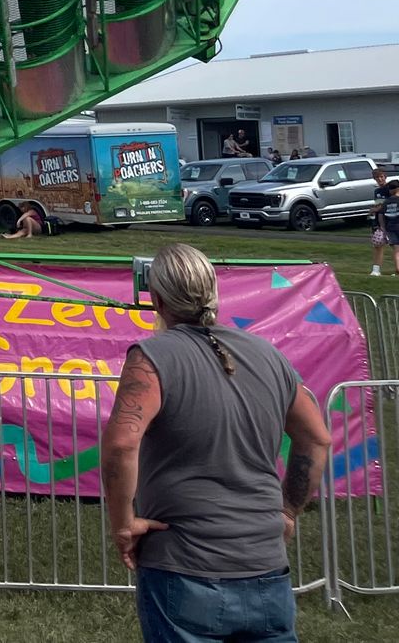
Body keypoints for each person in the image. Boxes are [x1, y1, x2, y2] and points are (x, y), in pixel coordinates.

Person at [99, 243, 331, 643]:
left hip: (185, 571)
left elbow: (121, 444)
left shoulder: (152, 356)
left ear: (155, 298)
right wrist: (288, 510)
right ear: (214, 292)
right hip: (267, 570)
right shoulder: (267, 354)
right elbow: (317, 439)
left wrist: (124, 524)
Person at [372, 177, 399, 276]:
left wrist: (383, 227)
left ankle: (397, 268)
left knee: (396, 249)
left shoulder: (386, 202)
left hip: (390, 227)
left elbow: (380, 214)